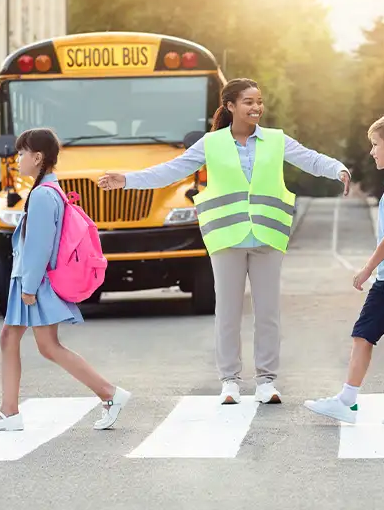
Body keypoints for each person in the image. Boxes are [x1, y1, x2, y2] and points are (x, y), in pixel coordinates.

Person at [97, 78, 350, 405]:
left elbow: (311, 159)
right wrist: (127, 180)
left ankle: (266, 382)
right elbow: (170, 171)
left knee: (268, 312)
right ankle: (229, 381)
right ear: (230, 106)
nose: (256, 107)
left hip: (267, 237)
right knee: (227, 313)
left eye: (259, 101)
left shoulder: (276, 140)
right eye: (248, 101)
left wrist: (338, 169)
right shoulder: (211, 143)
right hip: (226, 238)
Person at [0, 127, 130, 432]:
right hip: (32, 281)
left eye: (21, 153)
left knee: (46, 345)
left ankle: (109, 394)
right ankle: (10, 412)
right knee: (24, 341)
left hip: (34, 282)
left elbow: (40, 245)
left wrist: (28, 288)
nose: (18, 159)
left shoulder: (43, 195)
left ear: (38, 157)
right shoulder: (46, 190)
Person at [303, 113, 384, 428]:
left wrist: (365, 270)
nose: (372, 151)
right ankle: (346, 401)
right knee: (362, 335)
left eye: (376, 145)